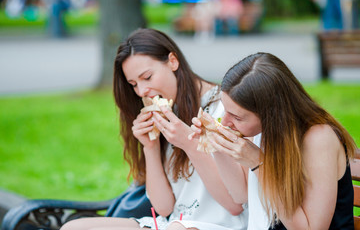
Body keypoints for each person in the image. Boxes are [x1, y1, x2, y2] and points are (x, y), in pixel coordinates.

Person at [60, 28, 248, 230]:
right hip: (172, 223)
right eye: (134, 84)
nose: (141, 91)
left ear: (173, 61)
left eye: (147, 77)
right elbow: (164, 208)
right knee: (73, 228)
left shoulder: (224, 111)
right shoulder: (170, 112)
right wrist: (149, 147)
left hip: (218, 224)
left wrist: (189, 144)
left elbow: (235, 205)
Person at [190, 52, 357, 229]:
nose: (224, 122)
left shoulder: (319, 140)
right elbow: (241, 195)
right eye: (225, 110)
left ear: (271, 115)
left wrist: (259, 163)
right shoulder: (265, 131)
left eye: (237, 118)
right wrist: (215, 143)